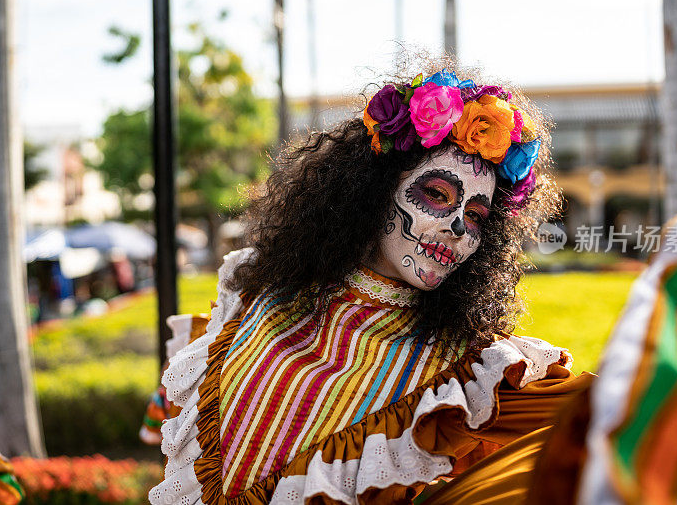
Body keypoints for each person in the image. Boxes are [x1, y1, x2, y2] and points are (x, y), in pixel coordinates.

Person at [149, 64, 593, 505]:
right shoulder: (260, 292)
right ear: (373, 190)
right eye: (437, 195)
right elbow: (211, 352)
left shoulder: (475, 374)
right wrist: (165, 401)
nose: (459, 226)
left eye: (476, 215)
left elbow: (608, 412)